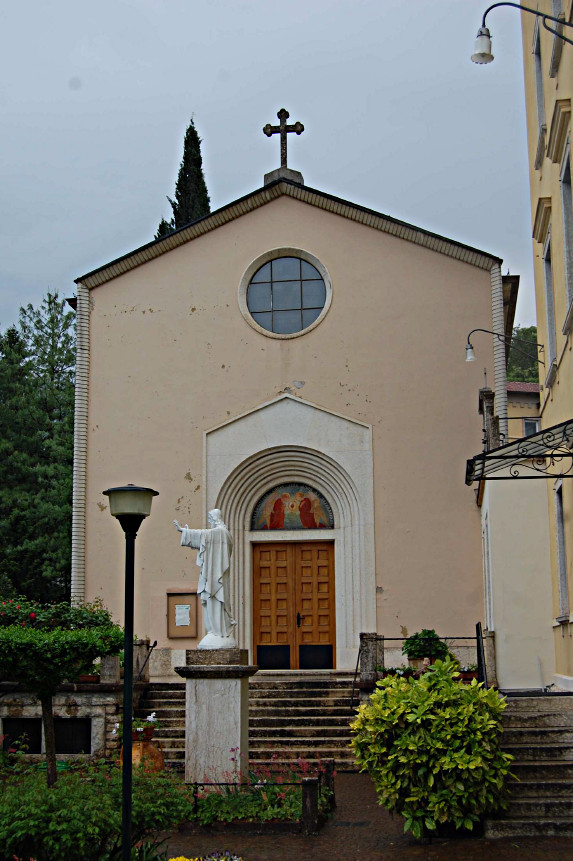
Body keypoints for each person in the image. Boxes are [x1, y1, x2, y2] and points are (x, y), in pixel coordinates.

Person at [173, 510, 237, 649]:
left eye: (210, 518)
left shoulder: (221, 533)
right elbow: (206, 537)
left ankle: (220, 633)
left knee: (217, 601)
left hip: (217, 578)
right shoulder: (218, 534)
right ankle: (214, 632)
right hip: (212, 576)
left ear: (215, 518)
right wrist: (186, 532)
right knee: (210, 601)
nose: (209, 521)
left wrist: (185, 532)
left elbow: (205, 535)